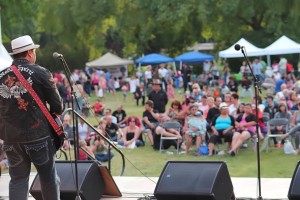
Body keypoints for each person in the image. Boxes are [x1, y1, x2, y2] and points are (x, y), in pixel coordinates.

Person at [0, 35, 63, 199]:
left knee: (18, 181)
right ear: (29, 52)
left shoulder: (0, 76)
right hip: (38, 136)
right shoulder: (41, 72)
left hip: (11, 139)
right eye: (34, 51)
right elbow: (58, 107)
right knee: (48, 179)